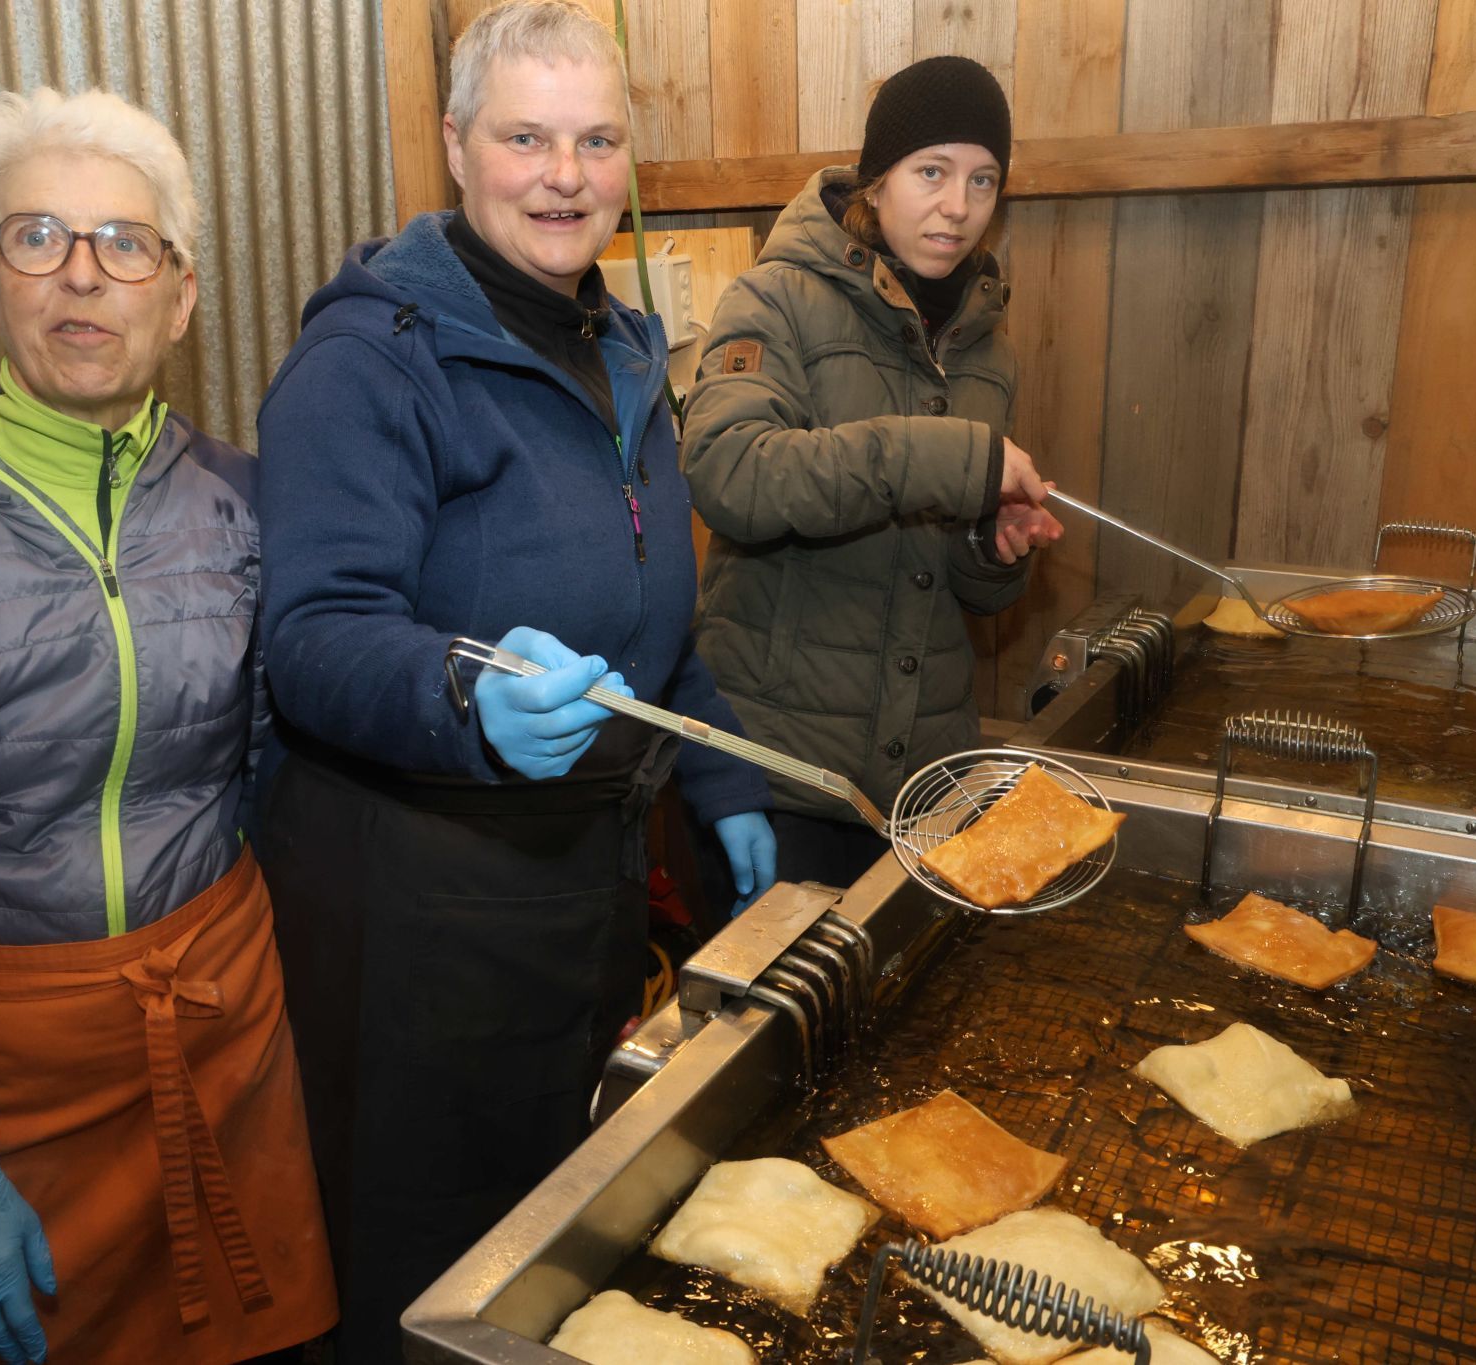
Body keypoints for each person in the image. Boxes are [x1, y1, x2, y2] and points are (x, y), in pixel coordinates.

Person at [251, 3, 776, 1358]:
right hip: (417, 917)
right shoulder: (369, 362)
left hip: (574, 888)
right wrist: (465, 687)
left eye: (597, 139)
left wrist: (715, 771)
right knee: (432, 1275)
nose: (566, 173)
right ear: (455, 148)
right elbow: (311, 633)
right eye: (526, 136)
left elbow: (653, 623)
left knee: (549, 1243)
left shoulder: (617, 345)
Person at [0, 88, 334, 1365]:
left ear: (179, 296)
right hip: (8, 1065)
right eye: (36, 237)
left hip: (220, 1004)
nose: (82, 275)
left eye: (124, 243)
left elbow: (273, 758)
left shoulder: (244, 506)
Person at [682, 55, 1064, 889]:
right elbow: (730, 472)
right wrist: (949, 460)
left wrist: (993, 547)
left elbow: (962, 585)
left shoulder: (986, 348)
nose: (957, 207)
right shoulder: (775, 298)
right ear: (877, 179)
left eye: (983, 180)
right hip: (782, 780)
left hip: (927, 790)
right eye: (932, 172)